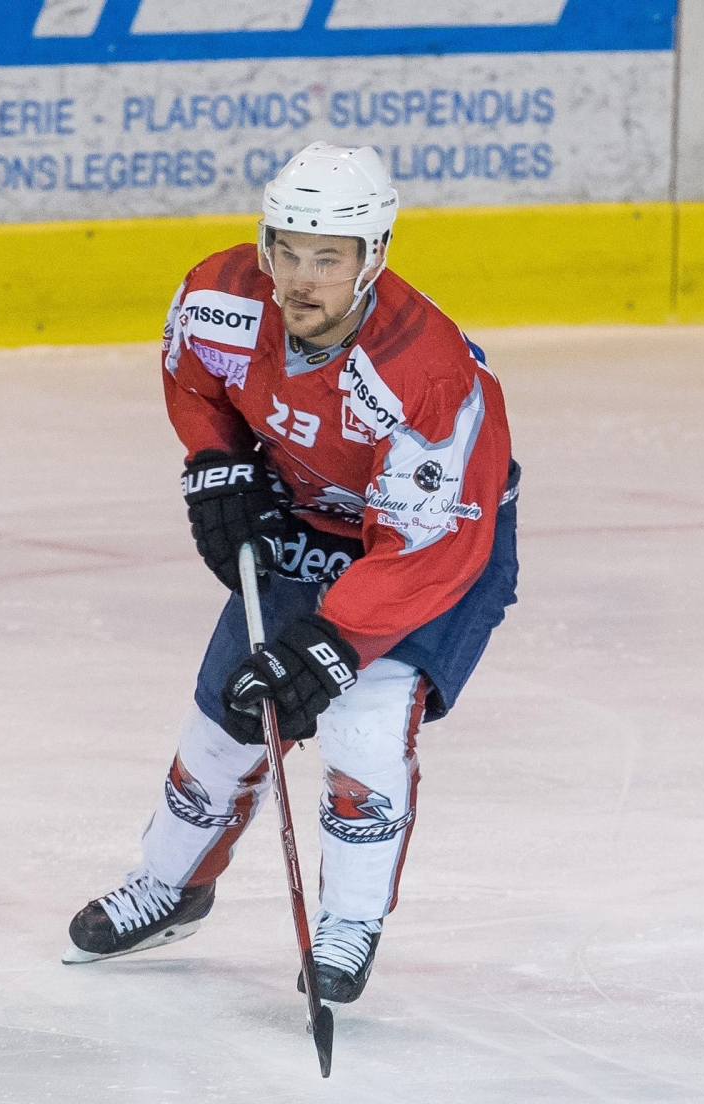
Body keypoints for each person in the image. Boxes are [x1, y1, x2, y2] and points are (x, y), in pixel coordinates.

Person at [62, 142, 520, 1003]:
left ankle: (348, 924)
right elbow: (195, 382)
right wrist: (219, 462)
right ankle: (171, 885)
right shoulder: (219, 298)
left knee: (364, 724)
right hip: (308, 516)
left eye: (328, 259)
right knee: (226, 718)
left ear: (372, 259)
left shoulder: (424, 376)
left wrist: (333, 645)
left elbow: (430, 548)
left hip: (428, 548)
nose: (300, 279)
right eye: (287, 251)